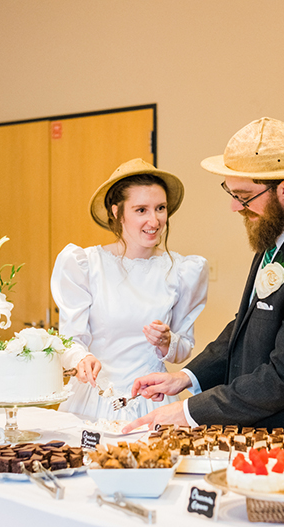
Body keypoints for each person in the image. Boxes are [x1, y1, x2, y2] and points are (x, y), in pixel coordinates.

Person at [124, 118, 284, 463]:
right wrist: (188, 377)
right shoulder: (278, 231)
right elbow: (247, 326)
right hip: (268, 433)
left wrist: (189, 412)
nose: (235, 207)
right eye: (232, 194)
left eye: (244, 196)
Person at [50, 158, 209, 422]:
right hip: (93, 399)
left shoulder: (182, 271)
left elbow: (184, 350)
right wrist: (81, 358)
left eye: (160, 208)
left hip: (153, 399)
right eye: (141, 210)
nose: (154, 220)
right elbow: (70, 339)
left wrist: (167, 342)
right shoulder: (86, 265)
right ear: (117, 213)